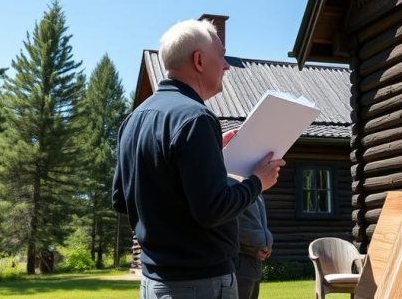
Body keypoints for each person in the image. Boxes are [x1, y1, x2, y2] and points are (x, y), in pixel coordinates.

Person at [113, 19, 285, 299]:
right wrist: (258, 182)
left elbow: (121, 199)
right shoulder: (196, 118)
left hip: (153, 283)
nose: (227, 66)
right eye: (222, 56)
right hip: (201, 283)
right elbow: (212, 209)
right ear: (199, 60)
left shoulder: (133, 120)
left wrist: (208, 154)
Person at [236, 193, 272, 299]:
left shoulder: (257, 193)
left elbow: (261, 225)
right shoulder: (231, 186)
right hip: (240, 260)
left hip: (255, 263)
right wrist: (258, 245)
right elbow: (232, 224)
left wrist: (267, 244)